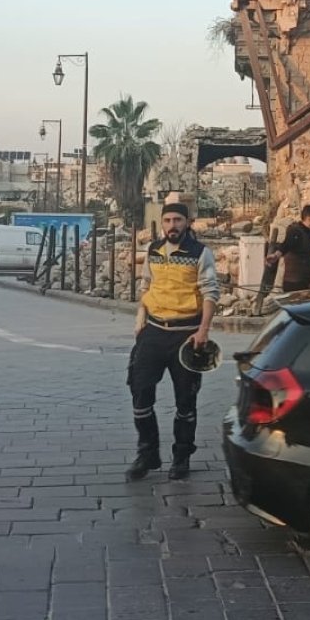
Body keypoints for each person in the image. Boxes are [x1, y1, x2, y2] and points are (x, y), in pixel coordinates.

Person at [126, 201, 219, 482]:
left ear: (187, 222)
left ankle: (181, 457)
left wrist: (203, 331)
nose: (172, 226)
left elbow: (210, 293)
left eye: (177, 220)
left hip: (186, 334)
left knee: (185, 400)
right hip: (153, 331)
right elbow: (146, 285)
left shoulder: (201, 253)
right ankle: (148, 453)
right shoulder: (153, 250)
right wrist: (140, 316)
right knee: (140, 391)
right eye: (167, 220)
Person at [266, 204, 310, 293]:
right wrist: (276, 255)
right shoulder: (295, 231)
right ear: (309, 219)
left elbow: (308, 257)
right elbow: (286, 244)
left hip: (304, 282)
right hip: (293, 283)